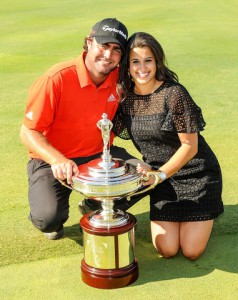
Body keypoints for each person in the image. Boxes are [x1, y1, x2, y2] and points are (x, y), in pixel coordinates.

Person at [20, 18, 137, 240]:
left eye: (116, 50)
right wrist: (57, 160)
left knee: (144, 176)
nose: (108, 55)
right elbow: (27, 132)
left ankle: (95, 204)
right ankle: (58, 214)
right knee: (48, 219)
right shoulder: (56, 79)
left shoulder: (119, 77)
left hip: (99, 154)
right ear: (88, 42)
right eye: (103, 46)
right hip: (53, 161)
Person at [113, 32, 224, 260]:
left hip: (197, 175)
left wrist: (159, 175)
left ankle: (205, 214)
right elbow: (107, 132)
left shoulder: (174, 94)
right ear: (127, 65)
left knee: (192, 251)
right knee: (168, 249)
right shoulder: (124, 99)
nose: (142, 68)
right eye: (135, 61)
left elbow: (189, 147)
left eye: (148, 60)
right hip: (162, 181)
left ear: (157, 62)